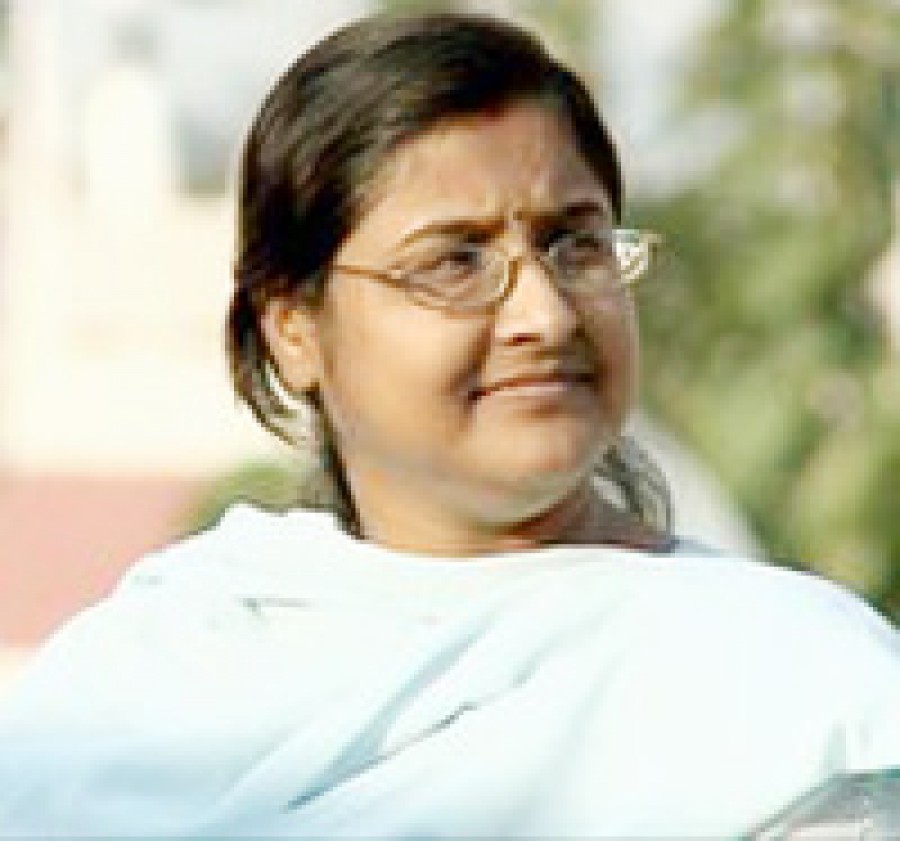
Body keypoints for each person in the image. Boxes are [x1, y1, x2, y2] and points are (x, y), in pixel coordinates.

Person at [1, 11, 899, 838]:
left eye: (575, 244)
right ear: (294, 329)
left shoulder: (789, 684)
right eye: (454, 263)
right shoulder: (136, 685)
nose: (544, 314)